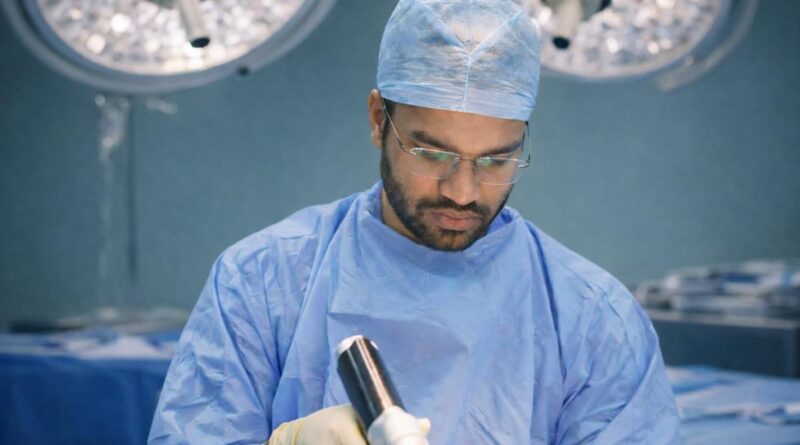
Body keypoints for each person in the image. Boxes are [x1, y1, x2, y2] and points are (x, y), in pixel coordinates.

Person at [148, 0, 681, 444]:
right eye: (431, 154)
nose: (462, 191)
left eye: (496, 160)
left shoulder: (594, 320)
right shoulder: (261, 282)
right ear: (378, 120)